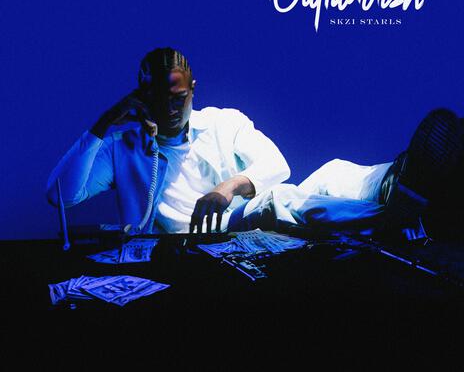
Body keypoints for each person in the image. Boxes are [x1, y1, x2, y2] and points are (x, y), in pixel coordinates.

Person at [46, 47, 463, 238]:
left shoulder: (223, 122)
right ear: (140, 97)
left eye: (179, 98)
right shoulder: (123, 146)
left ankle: (398, 177)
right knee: (280, 199)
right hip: (199, 241)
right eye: (158, 99)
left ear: (193, 89)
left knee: (331, 172)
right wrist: (104, 123)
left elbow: (278, 165)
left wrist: (227, 187)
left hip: (234, 216)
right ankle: (391, 216)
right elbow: (60, 195)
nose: (170, 108)